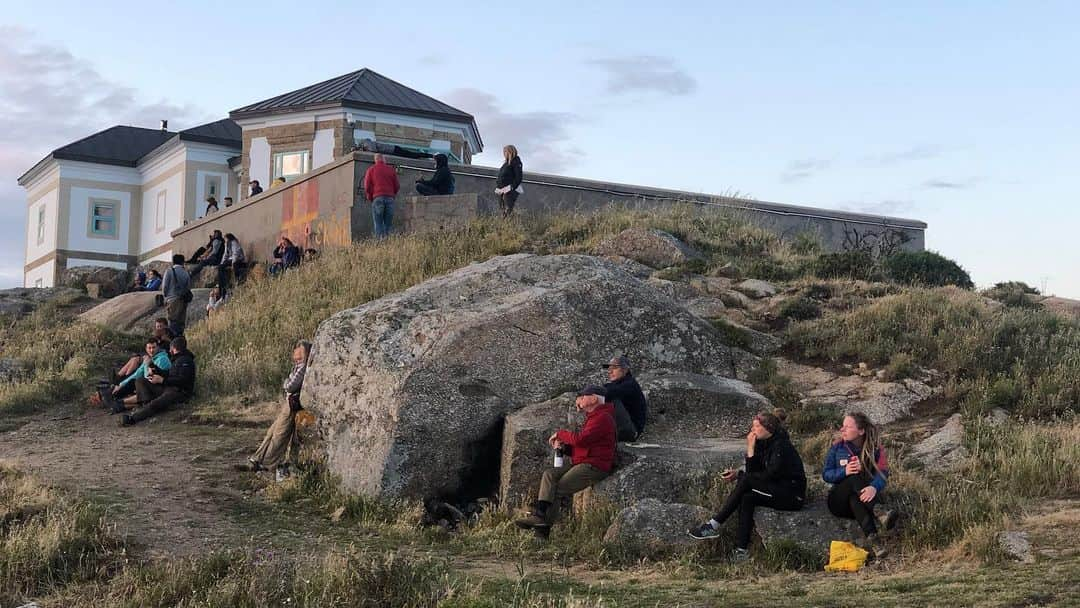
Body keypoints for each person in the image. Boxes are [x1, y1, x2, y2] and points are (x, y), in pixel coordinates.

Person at [688, 410, 806, 562]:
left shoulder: (781, 446)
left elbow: (770, 475)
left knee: (746, 481)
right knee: (747, 498)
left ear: (768, 428)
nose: (752, 430)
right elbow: (754, 472)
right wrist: (741, 470)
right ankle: (741, 551)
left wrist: (749, 453)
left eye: (756, 427)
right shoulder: (764, 443)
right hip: (777, 489)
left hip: (791, 495)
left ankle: (713, 525)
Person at [515, 385, 616, 539]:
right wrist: (565, 449)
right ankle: (540, 515)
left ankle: (541, 532)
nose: (579, 399)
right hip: (584, 462)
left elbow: (581, 440)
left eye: (583, 396)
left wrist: (561, 434)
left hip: (594, 466)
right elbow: (585, 446)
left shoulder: (603, 418)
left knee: (557, 489)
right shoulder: (595, 417)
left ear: (594, 398)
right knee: (550, 475)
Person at [823, 413, 896, 558]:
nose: (842, 430)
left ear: (861, 431)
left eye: (848, 427)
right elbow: (826, 474)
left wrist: (874, 487)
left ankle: (875, 543)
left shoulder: (875, 448)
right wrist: (845, 471)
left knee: (855, 500)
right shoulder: (837, 447)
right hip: (838, 501)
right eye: (842, 426)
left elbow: (883, 473)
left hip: (862, 499)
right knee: (852, 476)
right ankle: (879, 511)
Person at [236, 341, 312, 479]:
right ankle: (257, 459)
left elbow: (289, 386)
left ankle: (267, 464)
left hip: (291, 404)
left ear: (303, 353)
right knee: (272, 431)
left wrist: (287, 382)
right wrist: (287, 382)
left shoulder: (302, 368)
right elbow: (289, 382)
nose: (295, 352)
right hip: (288, 403)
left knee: (280, 434)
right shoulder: (297, 367)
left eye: (298, 350)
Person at [120, 336, 196, 426]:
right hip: (169, 388)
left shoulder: (186, 361)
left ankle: (133, 419)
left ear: (174, 348)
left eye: (170, 348)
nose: (169, 351)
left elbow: (183, 381)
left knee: (156, 403)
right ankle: (145, 405)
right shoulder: (177, 359)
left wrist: (162, 381)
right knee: (141, 381)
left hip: (180, 392)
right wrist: (155, 369)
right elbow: (169, 374)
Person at [106, 337, 172, 410]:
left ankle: (118, 401)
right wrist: (121, 385)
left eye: (154, 347)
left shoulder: (162, 359)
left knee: (138, 381)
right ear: (146, 349)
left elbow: (150, 378)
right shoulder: (150, 358)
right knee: (131, 380)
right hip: (147, 385)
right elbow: (137, 373)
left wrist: (147, 364)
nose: (151, 350)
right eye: (149, 348)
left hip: (158, 388)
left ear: (158, 348)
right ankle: (114, 393)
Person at [602, 355, 647, 441]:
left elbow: (607, 394)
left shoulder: (630, 384)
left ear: (625, 369)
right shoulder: (616, 384)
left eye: (614, 368)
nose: (610, 371)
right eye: (609, 368)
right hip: (624, 429)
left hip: (631, 432)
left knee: (611, 400)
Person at [363, 153, 400, 238]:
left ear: (375, 160)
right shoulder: (391, 170)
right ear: (384, 159)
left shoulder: (371, 170)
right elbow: (397, 186)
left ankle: (380, 246)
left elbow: (367, 187)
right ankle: (388, 245)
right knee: (388, 224)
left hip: (377, 198)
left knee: (378, 224)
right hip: (390, 199)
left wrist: (370, 197)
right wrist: (392, 195)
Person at [161, 254, 191, 337]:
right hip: (183, 300)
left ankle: (172, 341)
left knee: (172, 322)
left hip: (172, 300)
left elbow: (165, 287)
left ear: (173, 261)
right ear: (182, 262)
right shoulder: (186, 273)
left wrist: (165, 297)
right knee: (181, 323)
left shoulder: (169, 271)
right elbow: (188, 287)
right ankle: (179, 340)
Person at [495, 145, 523, 218]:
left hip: (509, 190)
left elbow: (519, 177)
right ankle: (503, 226)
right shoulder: (506, 163)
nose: (504, 154)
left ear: (510, 152)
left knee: (507, 210)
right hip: (501, 190)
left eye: (505, 152)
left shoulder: (516, 161)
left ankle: (507, 225)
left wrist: (511, 187)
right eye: (503, 152)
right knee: (502, 210)